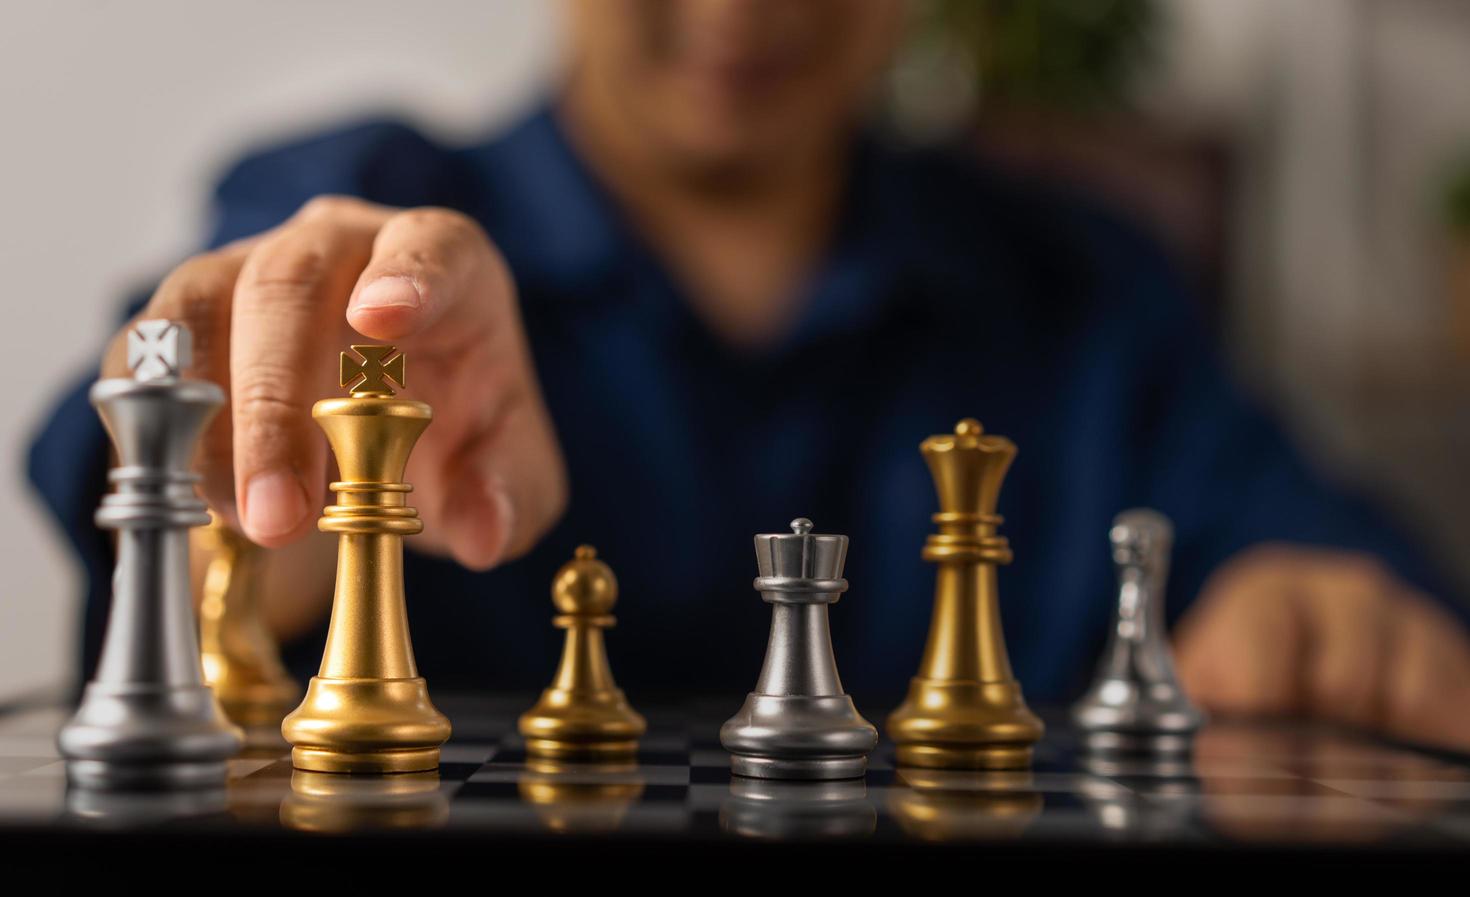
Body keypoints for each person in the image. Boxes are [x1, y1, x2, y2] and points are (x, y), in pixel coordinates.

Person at [27, 0, 1470, 749]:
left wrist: (1313, 620)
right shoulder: (354, 204)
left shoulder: (1084, 293)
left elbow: (1343, 574)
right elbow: (150, 441)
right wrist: (234, 491)